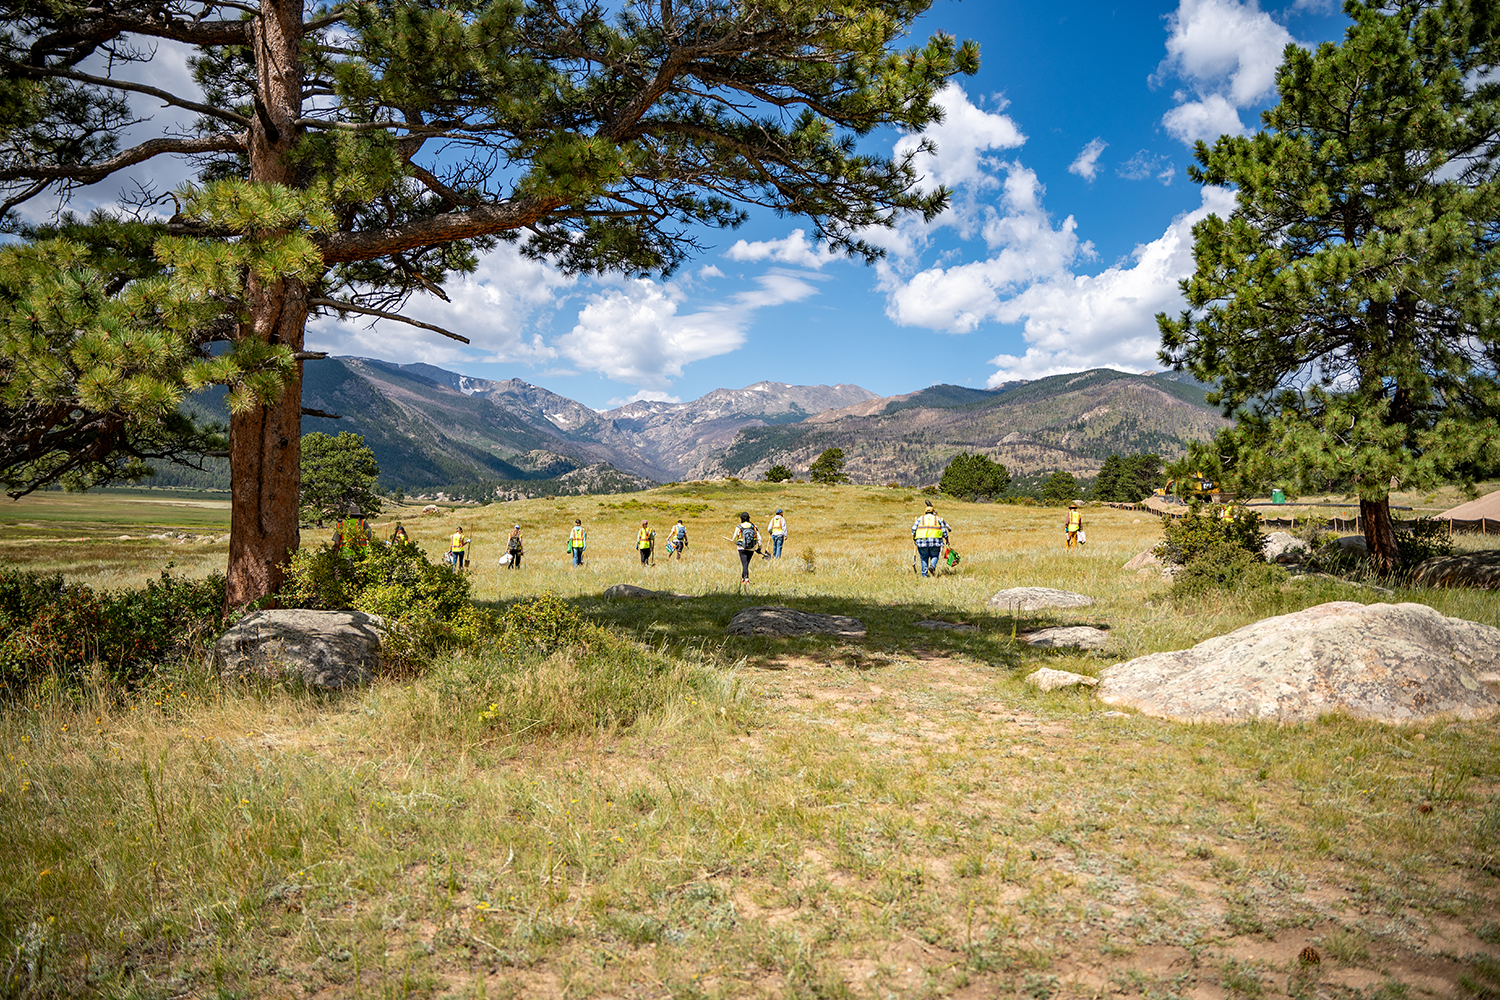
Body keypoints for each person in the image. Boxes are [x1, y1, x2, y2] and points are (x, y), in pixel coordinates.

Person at [911, 501, 950, 578]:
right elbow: (944, 531)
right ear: (933, 512)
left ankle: (924, 575)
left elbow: (913, 529)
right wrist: (947, 540)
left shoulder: (920, 519)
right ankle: (932, 566)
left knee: (924, 558)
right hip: (936, 542)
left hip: (922, 542)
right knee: (935, 556)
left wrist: (914, 538)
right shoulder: (938, 519)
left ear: (925, 512)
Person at [733, 511, 759, 584]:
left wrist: (736, 543)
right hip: (751, 548)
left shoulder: (739, 527)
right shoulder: (754, 526)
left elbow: (734, 538)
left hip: (741, 548)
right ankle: (742, 578)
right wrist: (759, 547)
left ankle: (746, 579)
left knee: (745, 564)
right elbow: (759, 538)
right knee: (746, 563)